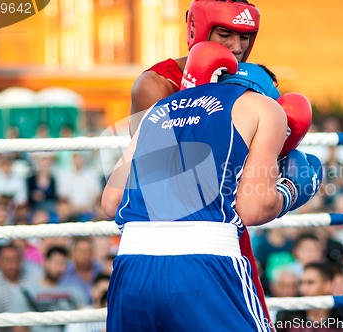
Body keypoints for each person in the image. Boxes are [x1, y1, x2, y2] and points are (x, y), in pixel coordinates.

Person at [102, 42, 321, 331]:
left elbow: (109, 202)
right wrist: (292, 189)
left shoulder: (159, 108)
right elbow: (252, 209)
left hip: (131, 265)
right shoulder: (265, 108)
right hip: (204, 262)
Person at [128, 0, 270, 319]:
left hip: (223, 229)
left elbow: (258, 175)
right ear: (198, 29)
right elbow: (159, 183)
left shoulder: (249, 85)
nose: (237, 47)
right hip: (163, 241)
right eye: (225, 34)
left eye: (245, 37)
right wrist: (195, 91)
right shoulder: (156, 84)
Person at [275, 262, 343, 332]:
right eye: (301, 283)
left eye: (310, 283)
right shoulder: (286, 315)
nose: (303, 288)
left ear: (328, 286)